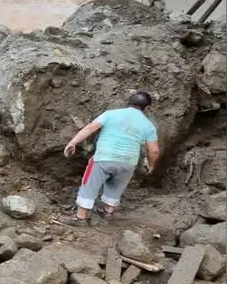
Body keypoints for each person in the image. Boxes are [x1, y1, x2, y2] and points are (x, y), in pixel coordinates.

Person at [62, 92, 160, 225]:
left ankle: (81, 217)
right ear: (147, 108)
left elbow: (91, 128)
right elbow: (154, 150)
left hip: (104, 158)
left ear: (129, 102)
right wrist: (151, 165)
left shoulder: (110, 114)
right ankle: (107, 212)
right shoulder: (148, 125)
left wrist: (73, 142)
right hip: (128, 163)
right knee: (116, 187)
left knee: (90, 184)